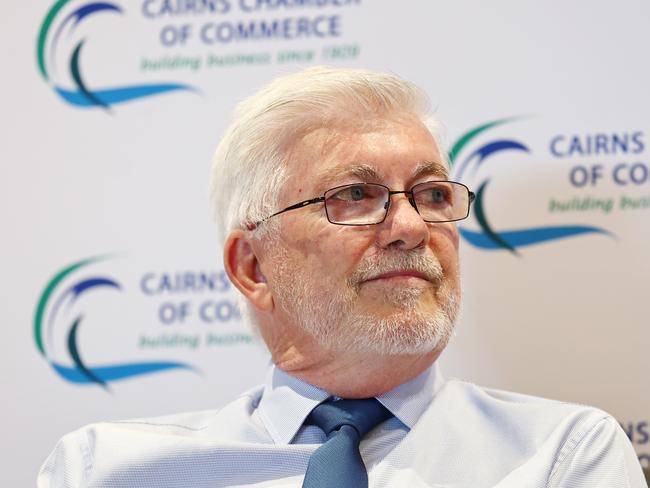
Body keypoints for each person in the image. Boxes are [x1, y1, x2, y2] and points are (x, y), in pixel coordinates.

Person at [38, 66, 646, 488]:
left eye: (432, 193)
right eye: (355, 195)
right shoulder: (108, 469)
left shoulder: (560, 456)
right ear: (253, 267)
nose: (410, 225)